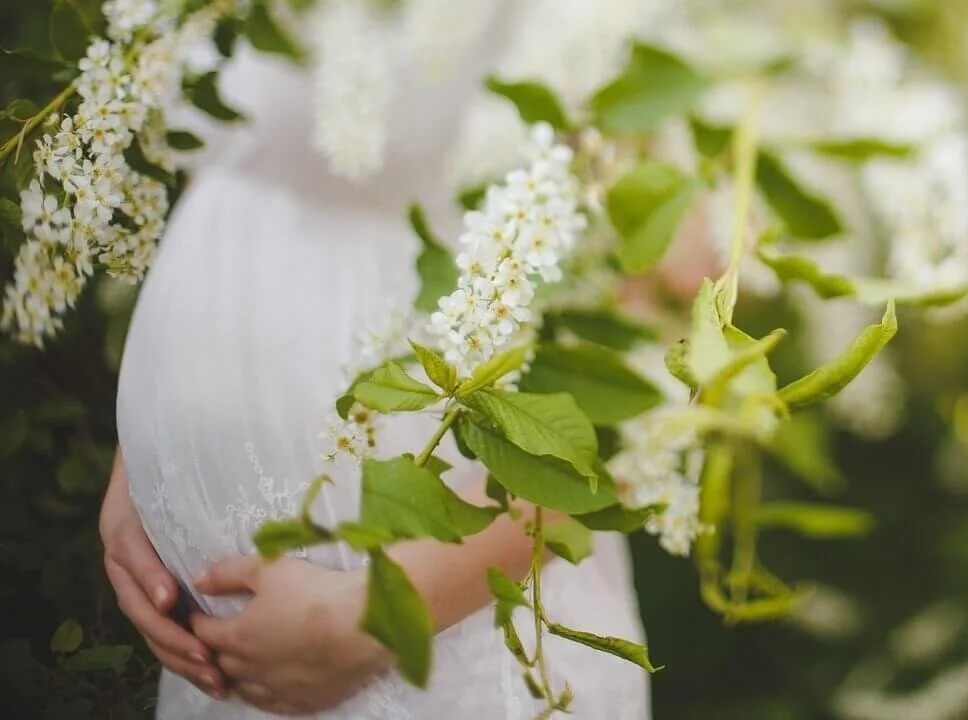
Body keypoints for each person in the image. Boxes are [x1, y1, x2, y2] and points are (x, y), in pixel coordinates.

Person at [97, 12, 650, 719]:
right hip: (219, 659)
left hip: (441, 639)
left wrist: (376, 616)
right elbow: (230, 170)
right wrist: (142, 473)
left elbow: (655, 377)